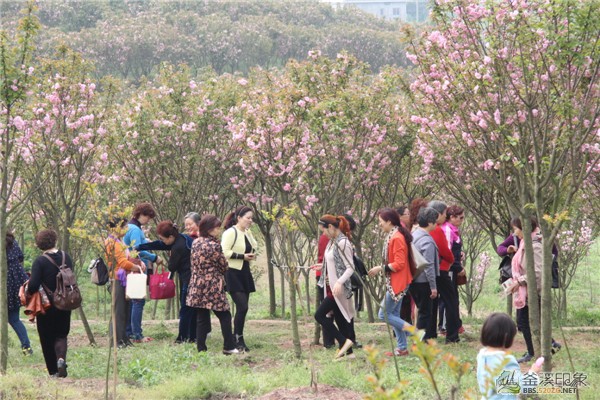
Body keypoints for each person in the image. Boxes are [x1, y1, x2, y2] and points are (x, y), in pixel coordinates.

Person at [508, 217, 561, 363]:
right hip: (527, 289)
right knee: (530, 321)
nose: (514, 233)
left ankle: (533, 352)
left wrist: (519, 282)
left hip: (533, 291)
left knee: (525, 321)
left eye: (515, 229)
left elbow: (537, 272)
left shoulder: (535, 245)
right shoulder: (528, 242)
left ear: (524, 228)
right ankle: (547, 346)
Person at [136, 220, 197, 343]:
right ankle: (193, 336)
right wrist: (141, 247)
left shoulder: (177, 247)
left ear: (170, 237)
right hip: (194, 278)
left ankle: (182, 337)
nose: (162, 241)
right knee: (192, 308)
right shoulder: (183, 238)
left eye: (163, 238)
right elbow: (161, 244)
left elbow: (171, 267)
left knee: (185, 308)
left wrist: (170, 255)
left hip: (188, 279)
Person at [187, 215, 239, 354]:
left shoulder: (196, 243)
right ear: (209, 229)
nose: (218, 230)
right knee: (225, 315)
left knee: (202, 317)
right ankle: (229, 346)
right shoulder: (214, 245)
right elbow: (223, 265)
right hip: (212, 285)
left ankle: (201, 348)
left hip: (197, 284)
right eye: (216, 228)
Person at [368, 208, 415, 356]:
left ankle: (414, 332)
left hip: (398, 282)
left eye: (381, 221)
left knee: (384, 315)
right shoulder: (394, 235)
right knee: (394, 314)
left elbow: (399, 264)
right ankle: (402, 348)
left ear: (389, 221)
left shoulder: (396, 238)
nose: (380, 224)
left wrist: (379, 268)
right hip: (396, 281)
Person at [27, 229, 73, 377]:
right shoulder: (67, 257)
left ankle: (53, 371)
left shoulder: (40, 261)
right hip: (66, 302)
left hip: (47, 305)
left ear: (39, 244)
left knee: (47, 337)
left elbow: (33, 286)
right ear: (55, 240)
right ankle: (61, 359)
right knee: (61, 335)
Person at [313, 214, 356, 360]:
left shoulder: (343, 242)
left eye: (324, 230)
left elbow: (350, 267)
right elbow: (333, 262)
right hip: (331, 287)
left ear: (330, 227)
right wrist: (321, 266)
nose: (323, 234)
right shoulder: (333, 242)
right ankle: (348, 353)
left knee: (319, 315)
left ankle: (344, 342)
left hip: (338, 289)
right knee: (340, 319)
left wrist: (339, 282)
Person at [123, 202, 162, 343]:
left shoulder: (131, 227)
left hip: (132, 268)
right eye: (147, 217)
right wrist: (154, 257)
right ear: (140, 214)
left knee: (133, 301)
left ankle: (129, 332)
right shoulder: (134, 229)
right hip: (137, 268)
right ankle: (137, 334)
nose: (148, 220)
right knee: (138, 300)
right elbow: (137, 249)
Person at [222, 206, 258, 352]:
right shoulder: (231, 232)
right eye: (248, 218)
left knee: (242, 309)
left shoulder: (247, 232)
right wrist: (242, 256)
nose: (250, 221)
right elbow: (224, 252)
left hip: (244, 271)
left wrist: (251, 254)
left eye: (251, 218)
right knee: (242, 306)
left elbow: (253, 246)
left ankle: (238, 337)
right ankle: (237, 338)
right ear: (239, 218)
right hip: (232, 272)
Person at [105, 218, 144, 349]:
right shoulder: (112, 243)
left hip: (123, 278)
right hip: (117, 278)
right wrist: (136, 267)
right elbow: (122, 262)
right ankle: (116, 341)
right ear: (116, 228)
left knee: (124, 310)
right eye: (124, 227)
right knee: (118, 311)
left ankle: (123, 338)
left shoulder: (119, 241)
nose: (126, 229)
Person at [427, 200, 460, 344]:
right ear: (438, 214)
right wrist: (452, 260)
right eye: (444, 214)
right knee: (450, 301)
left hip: (427, 271)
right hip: (441, 269)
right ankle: (452, 336)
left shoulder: (421, 229)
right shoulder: (438, 229)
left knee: (431, 303)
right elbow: (446, 251)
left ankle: (430, 333)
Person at [477, 313, 524, 399]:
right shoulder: (506, 360)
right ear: (506, 337)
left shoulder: (482, 355)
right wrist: (533, 373)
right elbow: (520, 386)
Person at [409, 207, 439, 339]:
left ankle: (420, 339)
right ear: (430, 223)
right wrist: (433, 287)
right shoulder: (427, 241)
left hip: (413, 279)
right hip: (423, 281)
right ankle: (421, 341)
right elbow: (429, 266)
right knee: (425, 313)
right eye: (435, 222)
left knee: (421, 311)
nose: (437, 224)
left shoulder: (414, 235)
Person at [440, 205, 466, 335]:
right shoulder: (448, 230)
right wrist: (458, 267)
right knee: (449, 299)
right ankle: (447, 327)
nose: (462, 220)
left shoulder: (453, 230)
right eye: (460, 218)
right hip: (448, 269)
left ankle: (454, 325)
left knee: (453, 298)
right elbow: (447, 252)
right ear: (452, 217)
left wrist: (459, 255)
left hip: (452, 267)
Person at [6, 232, 33, 356]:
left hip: (5, 285)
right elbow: (21, 257)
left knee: (13, 319)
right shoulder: (13, 242)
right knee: (14, 319)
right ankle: (26, 348)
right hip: (15, 286)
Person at [316, 220, 335, 349]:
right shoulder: (325, 238)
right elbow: (324, 259)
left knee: (330, 311)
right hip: (325, 276)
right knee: (327, 311)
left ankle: (331, 340)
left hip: (327, 275)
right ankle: (328, 341)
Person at [396, 205, 415, 325]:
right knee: (404, 300)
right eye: (407, 214)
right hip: (403, 271)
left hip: (404, 271)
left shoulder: (403, 229)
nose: (410, 217)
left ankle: (404, 325)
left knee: (404, 300)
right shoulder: (401, 231)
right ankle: (404, 325)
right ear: (399, 216)